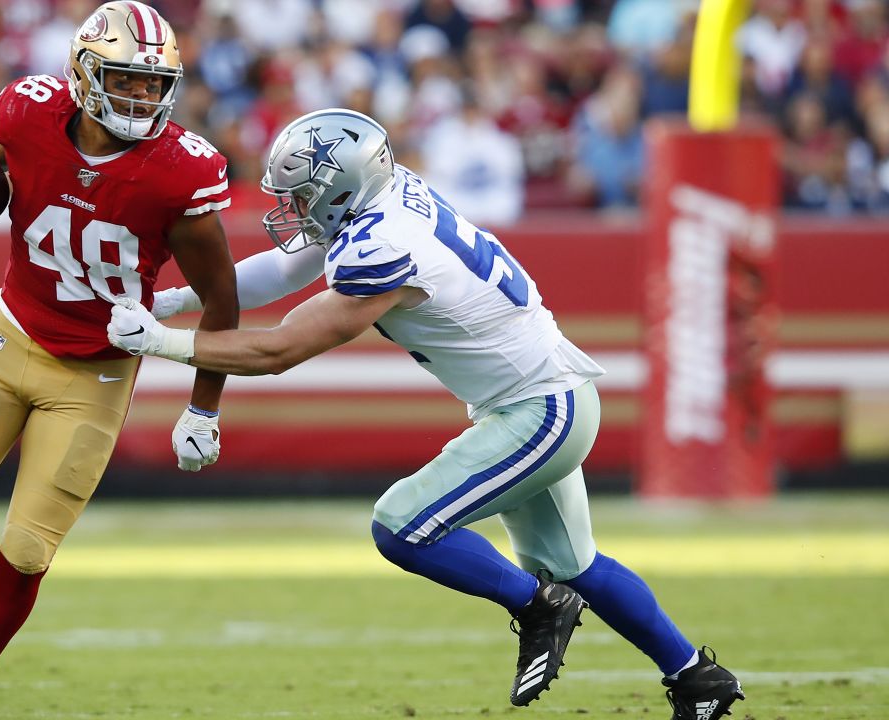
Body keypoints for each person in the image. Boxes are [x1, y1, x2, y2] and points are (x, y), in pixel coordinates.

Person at [107, 108, 745, 720]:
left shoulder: (381, 244)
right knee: (576, 564)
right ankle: (696, 677)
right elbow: (281, 268)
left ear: (339, 189)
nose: (291, 210)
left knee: (402, 525)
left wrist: (157, 343)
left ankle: (539, 607)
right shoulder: (384, 198)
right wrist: (169, 304)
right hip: (540, 397)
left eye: (301, 196)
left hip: (539, 409)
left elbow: (282, 347)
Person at [0, 4, 239, 719]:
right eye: (125, 81)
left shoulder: (180, 172)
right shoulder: (30, 109)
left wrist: (204, 407)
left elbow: (221, 301)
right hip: (9, 333)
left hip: (97, 367)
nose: (141, 99)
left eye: (153, 85)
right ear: (85, 74)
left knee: (29, 549)